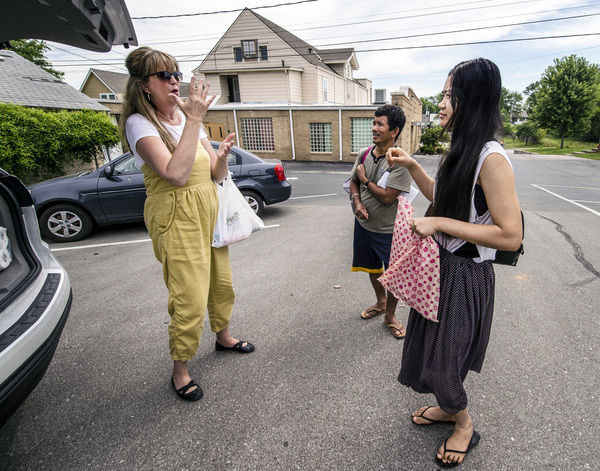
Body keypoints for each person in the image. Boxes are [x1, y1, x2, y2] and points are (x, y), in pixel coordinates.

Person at [386, 58, 522, 467]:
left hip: (465, 275)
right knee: (431, 352)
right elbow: (443, 200)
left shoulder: (492, 159)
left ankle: (463, 424)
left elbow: (510, 235)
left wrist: (440, 223)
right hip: (441, 271)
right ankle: (448, 409)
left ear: (472, 99)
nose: (441, 103)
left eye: (450, 95)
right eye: (443, 94)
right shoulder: (463, 150)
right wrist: (412, 165)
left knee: (445, 360)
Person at [120, 46, 254, 402]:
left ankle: (223, 337)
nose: (174, 81)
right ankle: (180, 369)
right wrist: (194, 120)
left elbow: (215, 174)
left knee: (221, 284)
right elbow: (176, 174)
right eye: (164, 75)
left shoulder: (186, 118)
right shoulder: (140, 123)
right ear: (144, 85)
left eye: (176, 74)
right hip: (175, 216)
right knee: (189, 296)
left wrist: (221, 157)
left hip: (208, 209)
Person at [349, 104, 412, 338]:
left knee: (393, 275)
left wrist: (365, 180)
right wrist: (357, 202)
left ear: (394, 131)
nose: (373, 128)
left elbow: (387, 197)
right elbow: (353, 181)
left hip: (389, 231)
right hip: (364, 226)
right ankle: (381, 302)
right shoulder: (365, 153)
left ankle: (390, 316)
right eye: (373, 123)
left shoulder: (401, 161)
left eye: (380, 124)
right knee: (372, 268)